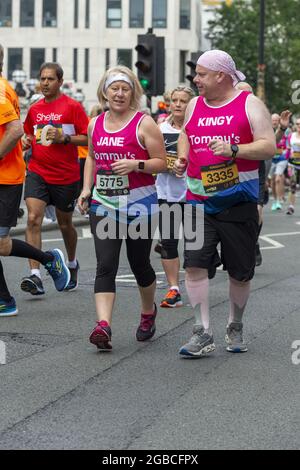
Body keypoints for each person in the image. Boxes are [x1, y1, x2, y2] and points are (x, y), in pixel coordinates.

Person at [174, 50, 276, 357]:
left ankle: (235, 324)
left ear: (221, 75)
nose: (196, 79)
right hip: (196, 200)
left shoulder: (249, 104)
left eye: (202, 74)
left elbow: (268, 146)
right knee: (193, 264)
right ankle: (201, 331)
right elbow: (185, 135)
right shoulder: (194, 104)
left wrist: (234, 149)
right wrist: (182, 157)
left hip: (238, 202)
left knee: (239, 273)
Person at [78, 66, 167, 351]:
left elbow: (162, 163)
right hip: (104, 204)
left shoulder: (145, 124)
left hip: (140, 205)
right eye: (114, 88)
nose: (119, 94)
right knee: (106, 265)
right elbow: (91, 157)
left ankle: (147, 313)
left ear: (132, 94)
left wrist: (135, 164)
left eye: (125, 89)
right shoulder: (95, 124)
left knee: (140, 264)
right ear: (104, 91)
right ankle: (103, 325)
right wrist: (86, 189)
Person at [0, 45, 70, 317]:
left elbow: (16, 129)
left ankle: (7, 299)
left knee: (1, 243)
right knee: (2, 245)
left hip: (6, 178)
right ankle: (47, 261)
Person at [21, 62, 89, 295]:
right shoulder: (34, 109)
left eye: (50, 79)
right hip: (38, 171)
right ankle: (35, 275)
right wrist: (26, 140)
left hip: (65, 175)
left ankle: (71, 263)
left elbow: (89, 138)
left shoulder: (72, 107)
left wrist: (65, 138)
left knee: (64, 224)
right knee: (32, 218)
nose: (45, 83)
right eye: (42, 79)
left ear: (60, 82)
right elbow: (28, 133)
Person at [155, 86, 195, 307]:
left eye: (183, 101)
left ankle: (197, 281)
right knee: (169, 242)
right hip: (166, 193)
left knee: (195, 244)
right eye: (174, 100)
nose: (178, 104)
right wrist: (166, 166)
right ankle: (174, 289)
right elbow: (152, 158)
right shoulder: (159, 129)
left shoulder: (196, 128)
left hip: (193, 194)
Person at [286, 117, 300, 215]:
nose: (299, 126)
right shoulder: (291, 136)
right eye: (298, 124)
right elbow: (288, 148)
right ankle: (291, 206)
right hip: (292, 165)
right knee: (292, 185)